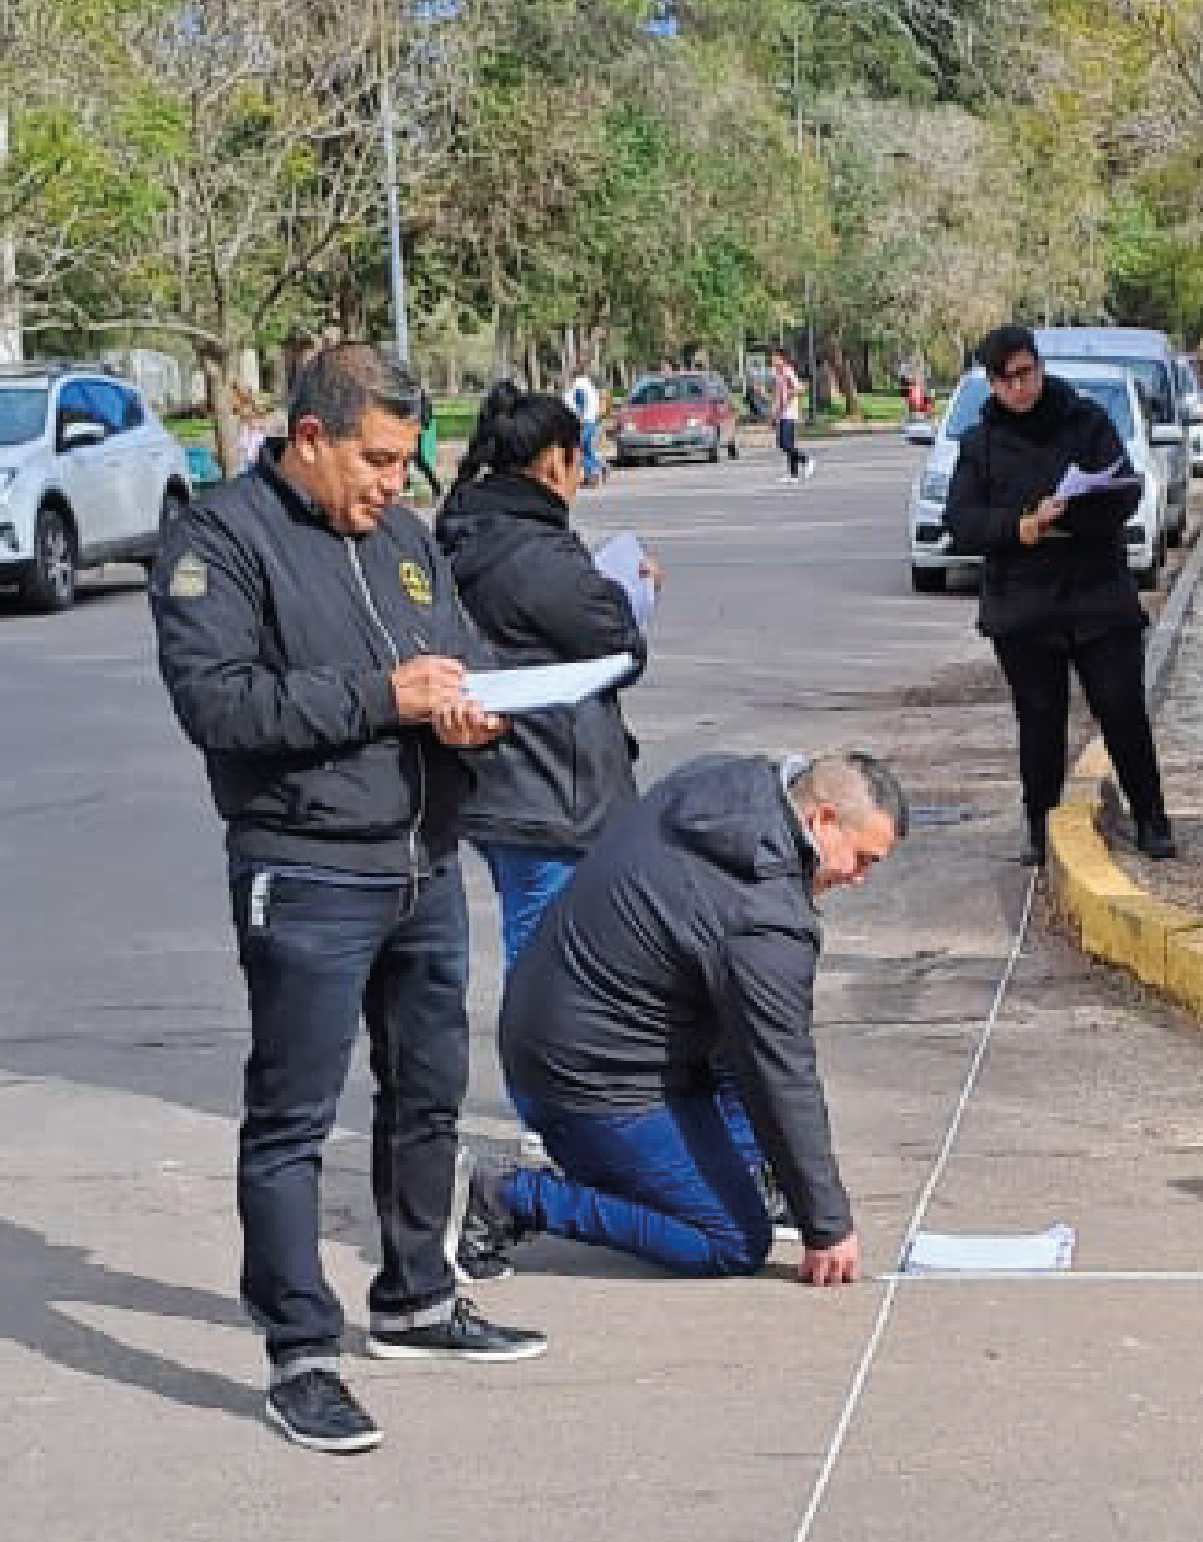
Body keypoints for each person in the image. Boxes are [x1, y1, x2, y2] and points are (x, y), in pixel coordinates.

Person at [149, 343, 547, 1456]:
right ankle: (300, 1355)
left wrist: (477, 710)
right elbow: (220, 707)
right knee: (292, 1120)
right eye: (374, 460)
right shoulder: (220, 539)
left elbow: (455, 660)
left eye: (406, 462)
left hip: (423, 859)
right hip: (310, 866)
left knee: (427, 1094)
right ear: (309, 438)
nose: (392, 483)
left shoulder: (406, 540)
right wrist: (384, 696)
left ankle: (417, 1299)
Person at [456, 753, 908, 1286]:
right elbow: (783, 1071)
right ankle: (506, 1199)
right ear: (822, 821)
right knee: (733, 1241)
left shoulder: (724, 784)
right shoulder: (765, 918)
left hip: (564, 1036)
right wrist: (827, 1224)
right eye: (862, 859)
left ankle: (745, 1181)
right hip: (585, 1088)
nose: (860, 878)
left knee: (751, 1034)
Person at [943, 323, 1176, 866]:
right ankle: (1039, 824)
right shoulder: (980, 442)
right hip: (1024, 606)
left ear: (1039, 367)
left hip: (1097, 594)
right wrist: (1022, 526)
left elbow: (1124, 490)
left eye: (1026, 372)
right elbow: (962, 520)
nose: (1019, 386)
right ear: (992, 383)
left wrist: (1070, 511)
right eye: (1006, 379)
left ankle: (1151, 817)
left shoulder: (1087, 421)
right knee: (1040, 717)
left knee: (1120, 708)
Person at [435, 382, 648, 971]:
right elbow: (619, 644)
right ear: (557, 461)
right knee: (548, 967)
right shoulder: (533, 552)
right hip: (554, 791)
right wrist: (632, 592)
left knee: (537, 945)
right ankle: (536, 1067)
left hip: (503, 783)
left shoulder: (464, 530)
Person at [771, 347, 813, 484]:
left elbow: (799, 388)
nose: (773, 360)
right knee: (782, 444)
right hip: (781, 413)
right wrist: (774, 412)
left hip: (789, 412)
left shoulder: (788, 372)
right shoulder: (778, 373)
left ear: (782, 359)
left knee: (786, 444)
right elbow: (778, 393)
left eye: (776, 357)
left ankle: (806, 460)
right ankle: (793, 475)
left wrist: (788, 397)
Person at [566, 367, 604, 488]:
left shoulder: (579, 385)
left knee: (583, 447)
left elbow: (581, 402)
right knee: (587, 448)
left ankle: (590, 476)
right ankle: (597, 469)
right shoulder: (590, 387)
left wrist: (580, 418)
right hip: (593, 420)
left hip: (585, 421)